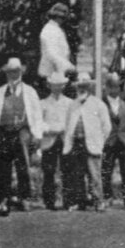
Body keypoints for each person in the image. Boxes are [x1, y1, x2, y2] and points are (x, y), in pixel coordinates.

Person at [0, 57, 43, 217]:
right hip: (3, 132)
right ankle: (3, 198)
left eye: (16, 71)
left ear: (21, 72)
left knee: (23, 165)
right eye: (10, 72)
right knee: (3, 167)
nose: (13, 74)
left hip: (22, 131)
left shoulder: (29, 92)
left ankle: (25, 198)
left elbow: (37, 115)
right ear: (7, 73)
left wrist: (37, 134)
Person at [62, 71, 111, 211]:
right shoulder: (73, 105)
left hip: (92, 144)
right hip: (76, 142)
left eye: (84, 86)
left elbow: (106, 126)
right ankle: (80, 201)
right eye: (79, 86)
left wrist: (99, 142)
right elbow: (68, 125)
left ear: (89, 87)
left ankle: (98, 201)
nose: (81, 88)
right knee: (77, 174)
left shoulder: (98, 104)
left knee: (94, 174)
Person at [39, 70, 75, 210]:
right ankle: (49, 201)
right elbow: (39, 122)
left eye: (60, 85)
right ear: (49, 86)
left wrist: (65, 129)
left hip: (65, 140)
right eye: (54, 85)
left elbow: (73, 120)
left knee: (68, 171)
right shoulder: (43, 103)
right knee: (49, 171)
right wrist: (50, 129)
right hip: (49, 140)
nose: (57, 87)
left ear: (64, 86)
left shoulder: (70, 103)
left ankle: (68, 201)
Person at [99, 71, 125, 208]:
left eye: (116, 86)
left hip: (123, 141)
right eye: (111, 87)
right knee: (106, 170)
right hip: (109, 141)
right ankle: (107, 197)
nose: (114, 90)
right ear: (106, 88)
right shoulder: (101, 104)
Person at [37, 2, 75, 81]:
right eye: (62, 17)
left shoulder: (56, 29)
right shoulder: (50, 30)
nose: (63, 20)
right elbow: (52, 54)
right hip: (50, 74)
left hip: (57, 72)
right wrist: (68, 67)